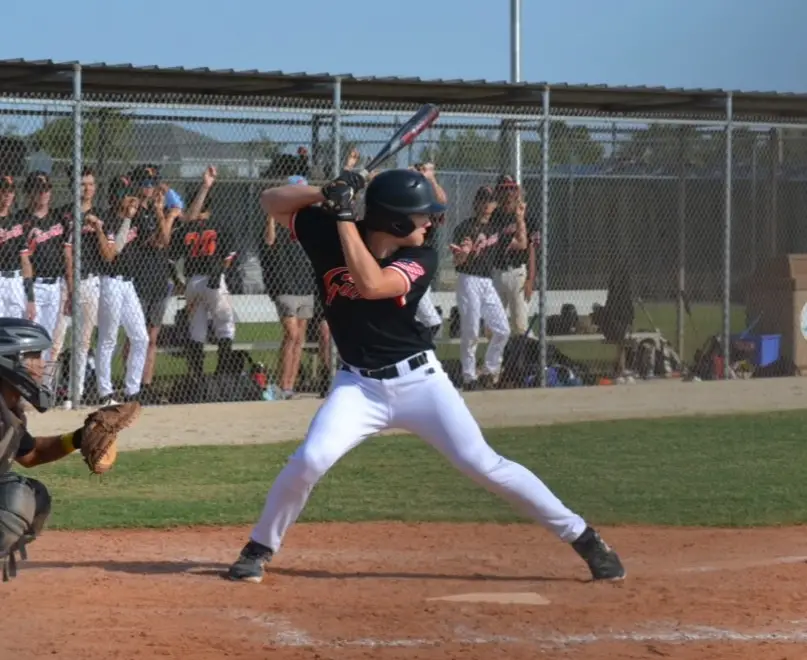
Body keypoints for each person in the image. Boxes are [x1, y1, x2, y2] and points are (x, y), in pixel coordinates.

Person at [226, 168, 625, 584]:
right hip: (358, 386)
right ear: (395, 221)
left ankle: (585, 538)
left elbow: (371, 284)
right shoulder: (328, 231)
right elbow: (271, 201)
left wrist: (342, 216)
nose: (430, 223)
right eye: (421, 216)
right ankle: (259, 547)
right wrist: (324, 191)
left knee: (484, 465)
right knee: (309, 460)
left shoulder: (420, 257)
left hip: (420, 383)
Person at [0, 318, 101, 581]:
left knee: (35, 496)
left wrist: (79, 438)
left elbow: (31, 454)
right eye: (33, 356)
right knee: (13, 499)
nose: (42, 365)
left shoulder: (9, 410)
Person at [173, 166, 238, 388]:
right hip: (213, 278)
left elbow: (172, 258)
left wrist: (179, 281)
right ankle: (222, 375)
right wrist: (220, 272)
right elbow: (229, 256)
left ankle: (198, 379)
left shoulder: (186, 228)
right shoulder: (219, 226)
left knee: (197, 330)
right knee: (225, 326)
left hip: (192, 281)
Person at [94, 176, 150, 405]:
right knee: (108, 338)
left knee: (141, 337)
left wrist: (151, 209)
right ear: (117, 197)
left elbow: (157, 240)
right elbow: (111, 253)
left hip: (129, 284)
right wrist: (127, 218)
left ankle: (132, 391)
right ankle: (105, 392)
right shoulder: (108, 219)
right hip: (111, 283)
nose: (131, 200)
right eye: (127, 195)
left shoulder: (136, 220)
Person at [51, 166, 103, 407]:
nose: (87, 188)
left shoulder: (100, 215)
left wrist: (98, 227)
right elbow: (63, 252)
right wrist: (71, 288)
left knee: (83, 342)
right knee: (57, 341)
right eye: (82, 184)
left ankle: (76, 393)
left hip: (91, 281)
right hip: (66, 282)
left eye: (90, 184)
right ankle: (46, 392)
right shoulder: (63, 215)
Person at [264, 175, 319, 400]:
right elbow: (269, 241)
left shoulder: (309, 221)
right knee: (291, 334)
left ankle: (289, 386)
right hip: (285, 285)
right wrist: (271, 215)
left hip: (305, 285)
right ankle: (282, 383)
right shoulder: (279, 218)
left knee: (300, 339)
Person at [450, 185, 511, 389]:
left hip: (487, 282)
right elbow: (457, 262)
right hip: (468, 280)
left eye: (490, 201)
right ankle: (469, 377)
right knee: (471, 332)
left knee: (502, 330)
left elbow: (520, 244)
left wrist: (520, 218)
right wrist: (463, 254)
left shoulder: (495, 228)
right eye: (483, 200)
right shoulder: (464, 227)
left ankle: (489, 371)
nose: (487, 205)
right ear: (476, 203)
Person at [19, 172, 67, 389]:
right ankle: (26, 386)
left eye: (47, 188)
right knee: (30, 341)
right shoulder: (22, 221)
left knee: (48, 340)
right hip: (34, 286)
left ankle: (43, 388)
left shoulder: (58, 218)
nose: (44, 192)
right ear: (29, 192)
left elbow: (67, 253)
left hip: (55, 285)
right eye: (39, 189)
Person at [489, 175, 531, 334]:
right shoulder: (493, 216)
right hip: (496, 272)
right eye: (503, 189)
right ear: (497, 192)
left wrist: (531, 278)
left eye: (511, 188)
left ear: (517, 191)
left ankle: (524, 351)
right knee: (492, 326)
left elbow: (531, 248)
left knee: (520, 325)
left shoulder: (525, 214)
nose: (508, 193)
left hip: (518, 272)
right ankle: (498, 352)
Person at [0, 174, 31, 320]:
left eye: (11, 191)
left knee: (16, 325)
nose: (7, 194)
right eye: (3, 190)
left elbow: (25, 260)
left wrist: (30, 297)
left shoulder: (17, 222)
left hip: (15, 281)